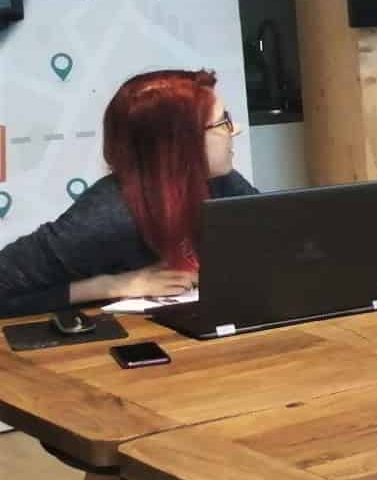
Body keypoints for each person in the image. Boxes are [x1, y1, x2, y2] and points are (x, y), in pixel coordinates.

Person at [0, 69, 253, 315]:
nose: (236, 129)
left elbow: (277, 244)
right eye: (223, 123)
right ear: (179, 144)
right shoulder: (107, 215)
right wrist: (109, 286)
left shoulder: (222, 180)